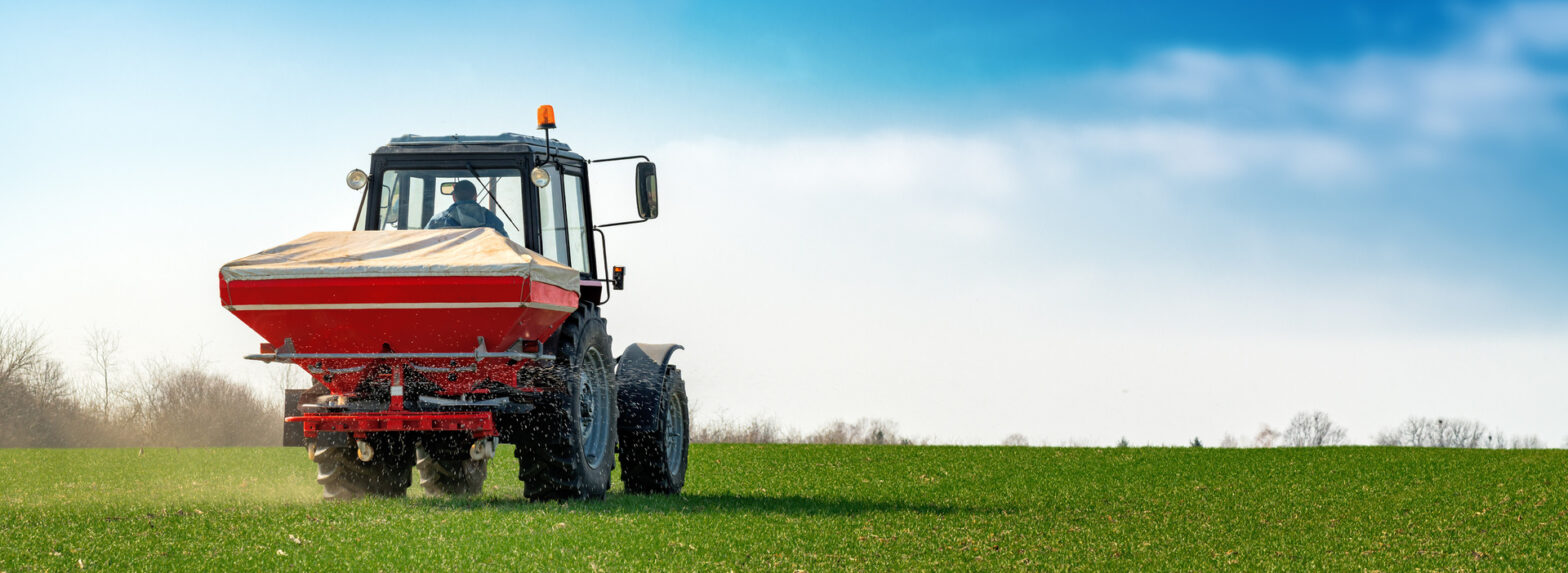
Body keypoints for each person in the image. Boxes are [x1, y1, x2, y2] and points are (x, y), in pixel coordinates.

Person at [426, 180, 509, 237]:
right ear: (475, 197)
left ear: (454, 197)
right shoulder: (492, 220)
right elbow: (506, 247)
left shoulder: (437, 221)